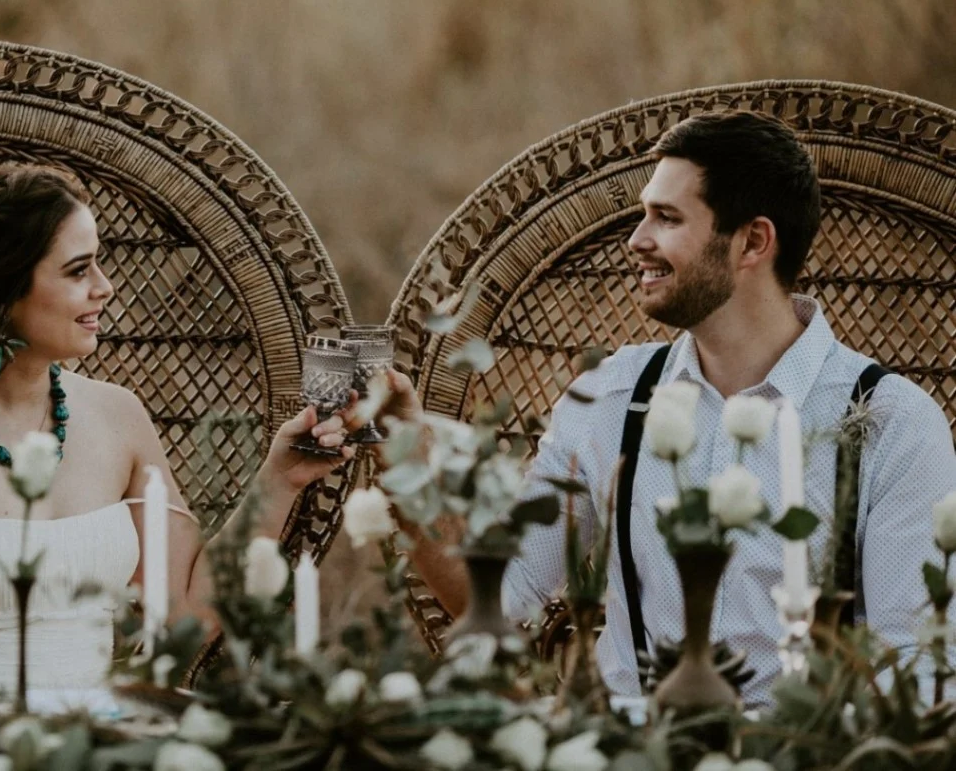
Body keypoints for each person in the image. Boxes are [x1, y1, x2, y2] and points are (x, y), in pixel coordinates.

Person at [397, 111, 956, 707]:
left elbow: (918, 677)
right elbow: (501, 599)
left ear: (753, 242)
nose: (637, 240)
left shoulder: (893, 423)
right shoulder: (608, 397)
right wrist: (408, 480)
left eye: (666, 218)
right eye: (645, 214)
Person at [0, 164, 353, 712]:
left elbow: (184, 612)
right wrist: (14, 739)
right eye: (78, 270)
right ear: (4, 292)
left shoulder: (117, 416)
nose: (105, 286)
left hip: (102, 738)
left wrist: (279, 479)